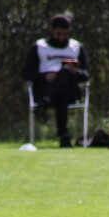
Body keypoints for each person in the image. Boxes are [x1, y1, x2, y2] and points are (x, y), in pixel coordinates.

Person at [23, 13, 90, 147]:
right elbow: (26, 73)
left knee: (65, 73)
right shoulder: (39, 47)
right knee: (61, 89)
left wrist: (74, 72)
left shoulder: (76, 47)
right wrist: (45, 76)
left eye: (65, 34)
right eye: (58, 34)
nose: (61, 38)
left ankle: (45, 103)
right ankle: (63, 136)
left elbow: (86, 74)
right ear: (51, 30)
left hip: (71, 91)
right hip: (44, 88)